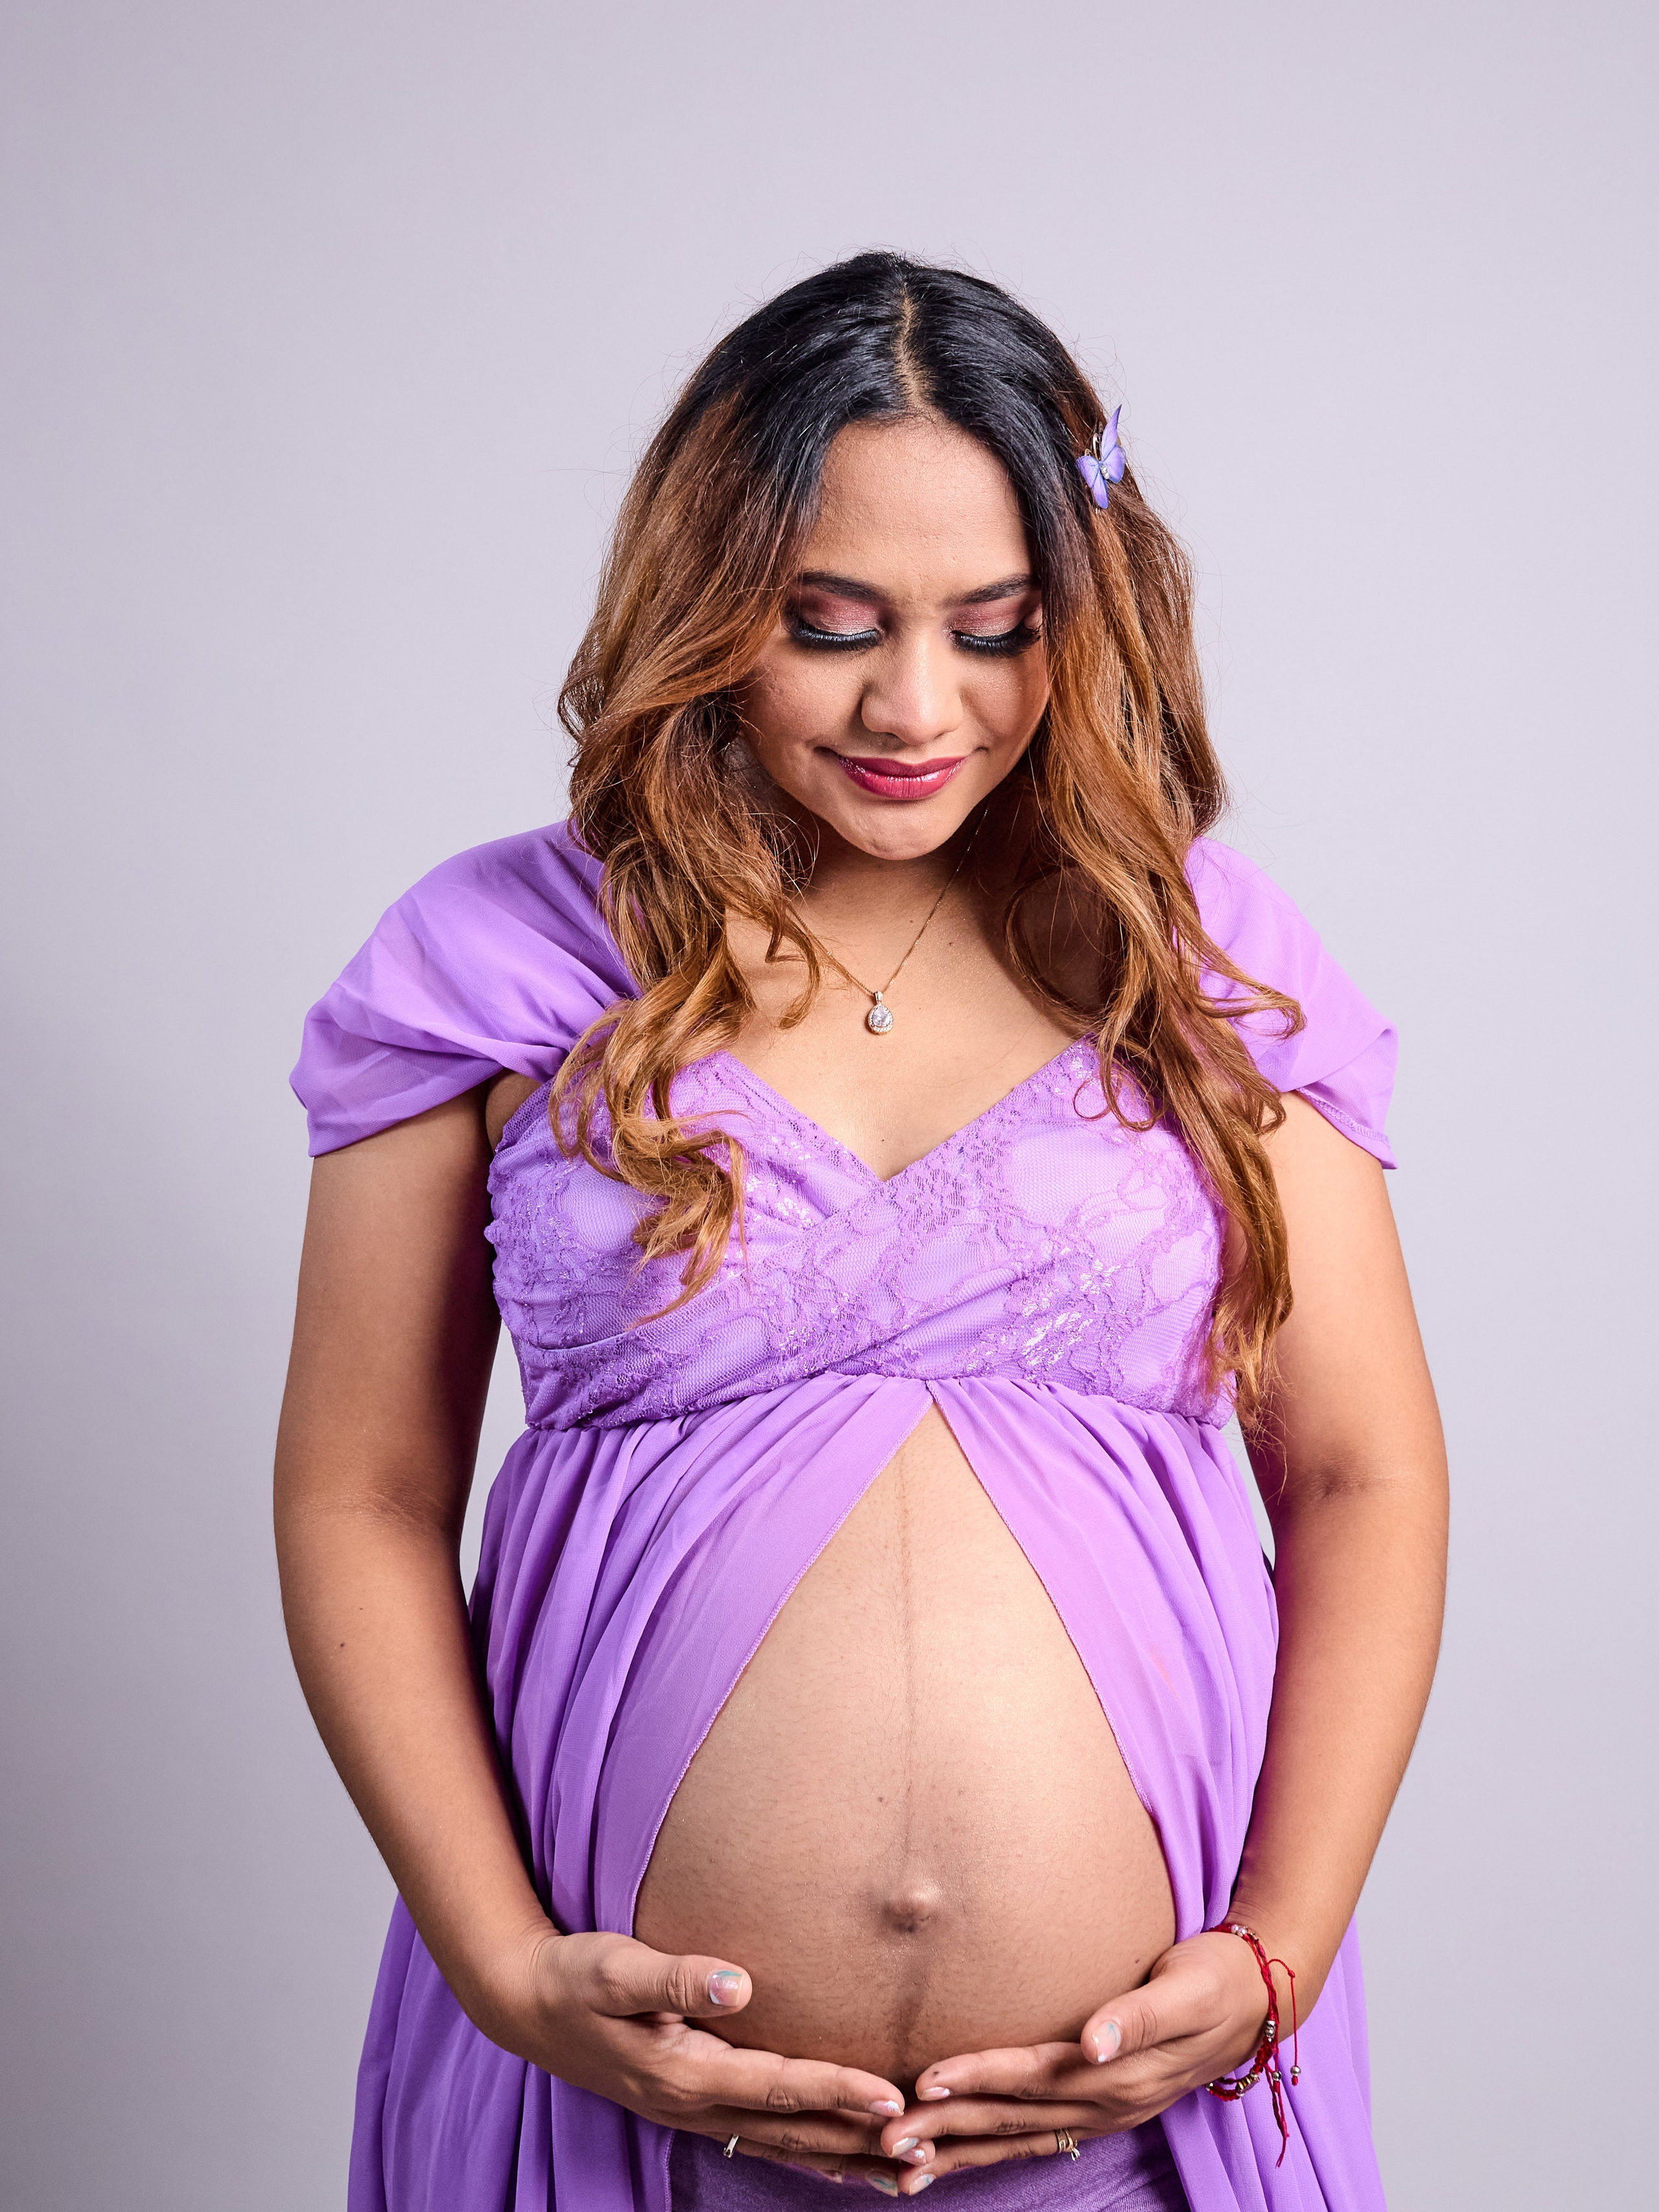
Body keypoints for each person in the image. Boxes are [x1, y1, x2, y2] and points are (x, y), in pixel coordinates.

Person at [277, 253, 1446, 2211]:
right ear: (707, 602)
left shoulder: (1209, 963)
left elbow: (1358, 1475)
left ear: (1088, 616)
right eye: (830, 626)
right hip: (613, 2110)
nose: (919, 706)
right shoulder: (491, 962)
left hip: (1136, 2123)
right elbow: (364, 1493)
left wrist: (1279, 1952)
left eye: (995, 629)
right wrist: (498, 1964)